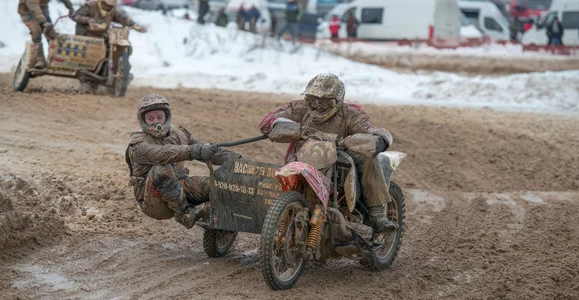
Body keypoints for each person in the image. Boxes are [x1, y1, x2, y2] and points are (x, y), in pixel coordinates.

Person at [259, 73, 397, 233]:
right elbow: (267, 121)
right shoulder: (298, 108)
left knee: (368, 156)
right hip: (301, 160)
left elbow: (369, 129)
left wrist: (377, 138)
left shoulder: (351, 113)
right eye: (312, 99)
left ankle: (378, 214)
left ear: (337, 101)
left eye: (324, 101)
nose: (317, 105)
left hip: (339, 161)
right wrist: (296, 130)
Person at [126, 94, 241, 229]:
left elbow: (205, 151)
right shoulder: (139, 144)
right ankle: (185, 214)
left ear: (166, 116)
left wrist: (237, 160)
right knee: (161, 168)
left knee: (217, 186)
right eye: (150, 119)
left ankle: (220, 225)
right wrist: (195, 151)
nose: (156, 122)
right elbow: (165, 153)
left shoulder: (179, 133)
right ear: (143, 120)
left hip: (179, 186)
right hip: (153, 201)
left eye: (159, 117)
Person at [18, 0, 75, 69]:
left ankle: (55, 57)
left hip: (42, 9)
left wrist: (71, 8)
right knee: (36, 32)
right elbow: (33, 7)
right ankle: (40, 60)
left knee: (50, 32)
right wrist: (43, 21)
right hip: (27, 11)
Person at [73, 0, 146, 38]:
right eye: (106, 5)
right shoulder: (91, 6)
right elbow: (75, 16)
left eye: (110, 6)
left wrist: (134, 25)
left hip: (101, 37)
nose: (108, 7)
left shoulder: (113, 11)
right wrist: (87, 20)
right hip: (85, 36)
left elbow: (123, 19)